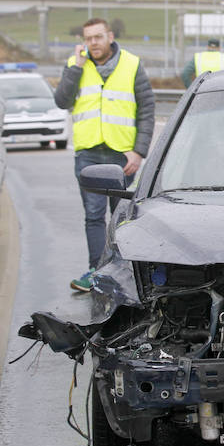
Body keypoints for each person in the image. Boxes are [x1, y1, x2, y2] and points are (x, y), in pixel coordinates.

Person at [54, 17, 155, 292]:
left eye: (98, 37)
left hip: (122, 154)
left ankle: (124, 271)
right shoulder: (76, 65)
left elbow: (146, 110)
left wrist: (139, 152)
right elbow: (62, 100)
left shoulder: (132, 64)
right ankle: (96, 272)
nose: (93, 43)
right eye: (88, 38)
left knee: (122, 216)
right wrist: (75, 68)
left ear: (110, 36)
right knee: (93, 215)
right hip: (87, 153)